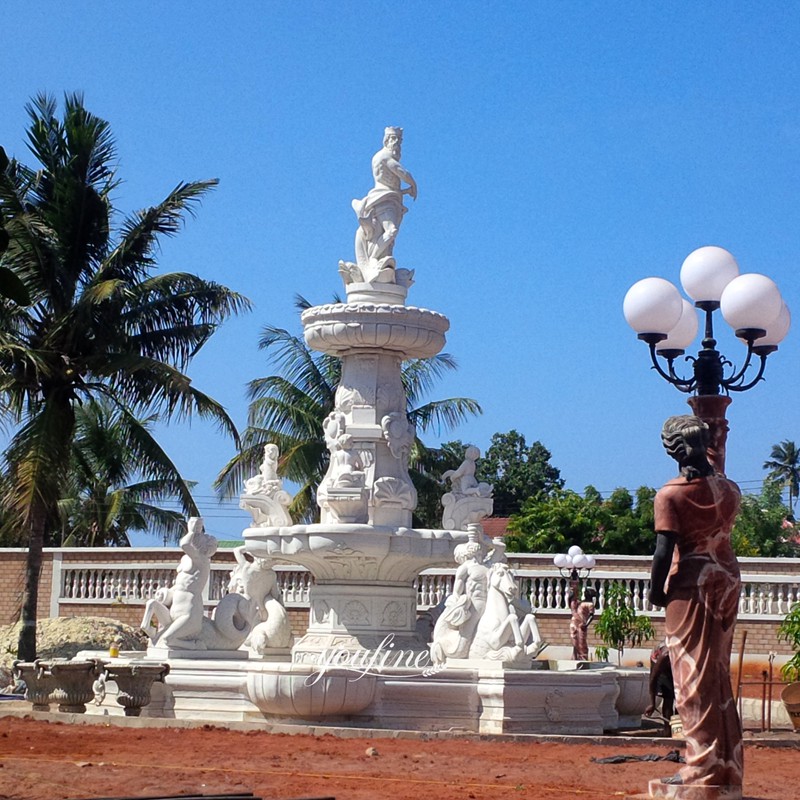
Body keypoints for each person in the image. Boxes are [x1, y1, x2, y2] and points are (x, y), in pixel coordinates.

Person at [648, 415, 742, 790]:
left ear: (672, 449)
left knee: (692, 680)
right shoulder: (731, 488)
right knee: (717, 677)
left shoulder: (671, 494)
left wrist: (656, 591)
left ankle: (700, 769)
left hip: (692, 582)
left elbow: (663, 550)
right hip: (727, 577)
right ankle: (727, 766)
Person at [145, 517, 218, 650]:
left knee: (167, 639)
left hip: (189, 612)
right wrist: (167, 593)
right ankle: (147, 627)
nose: (199, 536)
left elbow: (184, 544)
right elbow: (181, 584)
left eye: (203, 536)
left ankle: (191, 646)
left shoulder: (201, 560)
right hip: (175, 609)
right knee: (151, 604)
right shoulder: (187, 559)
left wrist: (192, 531)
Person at [351, 127, 417, 271]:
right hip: (384, 198)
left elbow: (391, 182)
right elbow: (402, 172)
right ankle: (373, 259)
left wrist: (405, 191)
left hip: (391, 198)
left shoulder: (383, 156)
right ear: (386, 140)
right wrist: (413, 184)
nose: (397, 144)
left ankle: (378, 258)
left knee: (386, 237)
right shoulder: (385, 156)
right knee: (391, 231)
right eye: (394, 140)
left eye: (399, 141)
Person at [568, 583, 596, 661]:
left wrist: (586, 625)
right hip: (574, 623)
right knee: (575, 641)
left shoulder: (590, 604)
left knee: (581, 642)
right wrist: (573, 592)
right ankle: (575, 657)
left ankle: (582, 658)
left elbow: (591, 616)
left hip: (581, 625)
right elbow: (571, 602)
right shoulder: (580, 602)